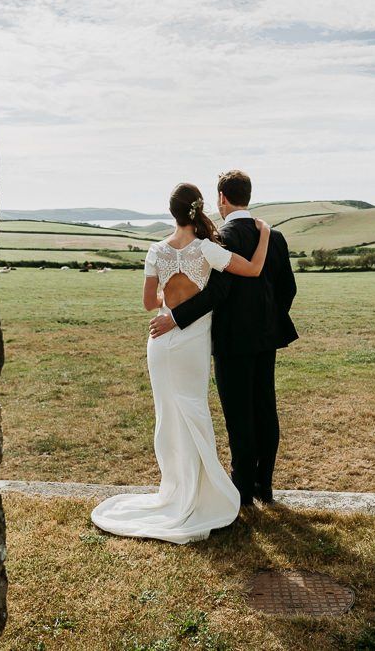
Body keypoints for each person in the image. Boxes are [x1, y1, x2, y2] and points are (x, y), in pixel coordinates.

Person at [90, 182, 271, 544]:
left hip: (159, 342)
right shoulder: (207, 249)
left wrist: (167, 299)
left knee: (168, 415)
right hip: (190, 344)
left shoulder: (156, 250)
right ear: (198, 209)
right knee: (194, 409)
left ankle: (174, 489)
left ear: (172, 212)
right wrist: (264, 233)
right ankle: (200, 492)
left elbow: (148, 304)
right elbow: (252, 270)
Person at [149, 170, 298, 507]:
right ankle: (265, 486)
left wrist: (175, 317)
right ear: (247, 195)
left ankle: (242, 490)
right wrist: (270, 321)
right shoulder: (274, 237)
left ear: (222, 198)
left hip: (232, 341)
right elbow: (287, 288)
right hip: (266, 338)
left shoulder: (222, 237)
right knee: (265, 410)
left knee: (238, 414)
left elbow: (216, 292)